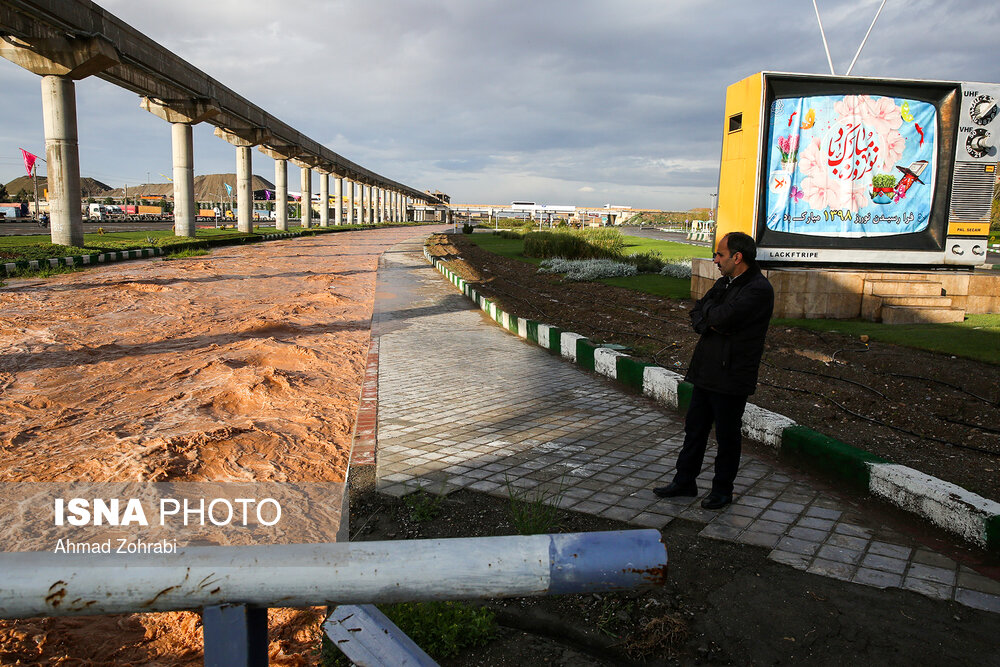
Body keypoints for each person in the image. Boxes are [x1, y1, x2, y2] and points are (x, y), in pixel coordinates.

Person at [654, 231, 774, 509]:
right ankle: (685, 481)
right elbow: (698, 313)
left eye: (720, 254)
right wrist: (710, 318)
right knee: (694, 430)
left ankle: (722, 491)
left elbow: (722, 317)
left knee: (727, 437)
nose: (715, 259)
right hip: (706, 371)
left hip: (731, 375)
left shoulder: (757, 289)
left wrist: (711, 317)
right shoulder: (725, 283)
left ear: (737, 257)